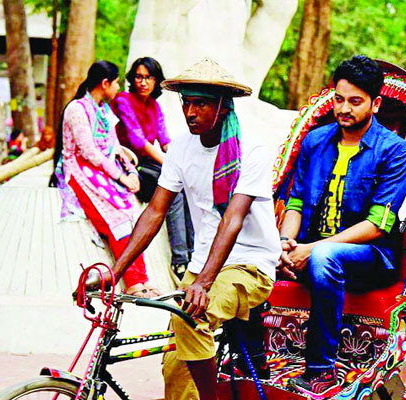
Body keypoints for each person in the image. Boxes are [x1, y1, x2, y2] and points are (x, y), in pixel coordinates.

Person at [87, 57, 281, 400]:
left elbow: (232, 219)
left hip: (250, 265)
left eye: (201, 104)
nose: (190, 112)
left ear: (222, 107)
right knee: (175, 366)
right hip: (202, 264)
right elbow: (155, 212)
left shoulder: (251, 150)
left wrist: (203, 283)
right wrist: (115, 272)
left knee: (193, 318)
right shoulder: (180, 147)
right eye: (186, 103)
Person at [279, 56, 406, 397]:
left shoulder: (395, 151)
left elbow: (378, 224)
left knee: (325, 257)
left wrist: (311, 250)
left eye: (355, 101)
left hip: (370, 257)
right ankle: (249, 363)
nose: (344, 109)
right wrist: (285, 243)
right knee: (249, 252)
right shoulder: (315, 141)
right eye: (339, 99)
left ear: (375, 104)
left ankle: (320, 372)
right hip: (309, 249)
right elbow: (295, 202)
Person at [51, 60, 159, 298]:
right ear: (105, 83)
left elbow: (115, 147)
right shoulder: (77, 109)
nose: (118, 88)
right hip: (80, 170)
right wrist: (121, 176)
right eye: (116, 83)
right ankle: (132, 281)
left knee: (131, 214)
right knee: (115, 217)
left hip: (103, 170)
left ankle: (142, 278)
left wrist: (131, 172)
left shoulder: (104, 111)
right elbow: (89, 152)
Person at [110, 57, 194, 280]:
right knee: (173, 191)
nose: (143, 82)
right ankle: (180, 261)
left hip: (149, 163)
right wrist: (172, 165)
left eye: (148, 77)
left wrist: (183, 162)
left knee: (187, 187)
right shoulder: (123, 100)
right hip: (127, 164)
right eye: (139, 77)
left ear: (156, 81)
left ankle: (194, 254)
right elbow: (138, 141)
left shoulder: (154, 106)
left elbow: (165, 140)